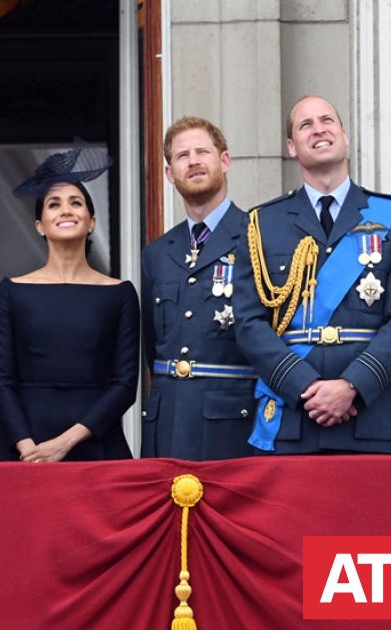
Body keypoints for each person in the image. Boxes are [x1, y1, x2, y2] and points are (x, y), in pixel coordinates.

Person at [233, 95, 391, 454]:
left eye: (327, 120)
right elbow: (248, 323)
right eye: (305, 125)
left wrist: (352, 385)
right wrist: (304, 386)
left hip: (370, 417)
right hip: (293, 417)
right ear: (292, 146)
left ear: (344, 135)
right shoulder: (262, 224)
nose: (318, 129)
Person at [0, 139, 138, 462]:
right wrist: (29, 449)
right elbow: (1, 383)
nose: (66, 209)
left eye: (76, 203)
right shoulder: (11, 291)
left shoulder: (121, 293)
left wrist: (65, 443)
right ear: (40, 225)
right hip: (24, 448)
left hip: (96, 445)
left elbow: (125, 385)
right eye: (54, 204)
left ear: (92, 222)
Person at [140, 117, 257, 460]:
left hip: (233, 424)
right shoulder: (157, 253)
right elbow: (153, 347)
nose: (193, 161)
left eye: (202, 152)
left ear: (224, 161)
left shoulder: (258, 237)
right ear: (169, 173)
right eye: (182, 155)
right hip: (167, 424)